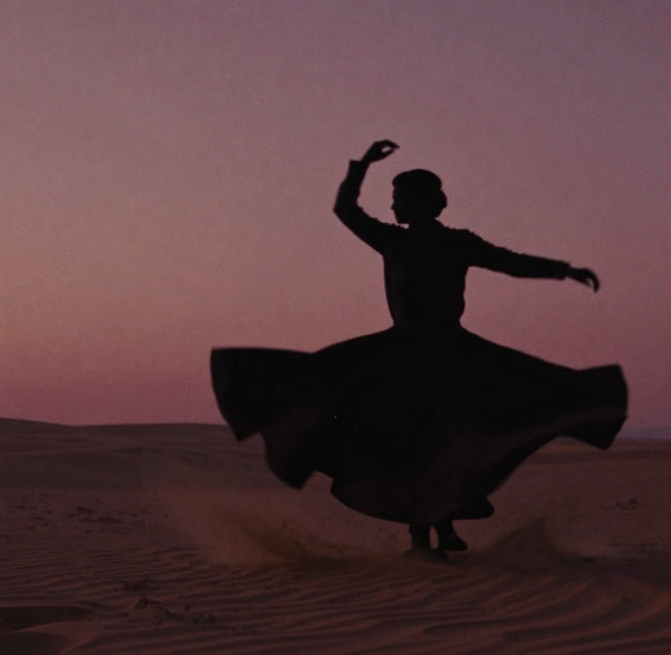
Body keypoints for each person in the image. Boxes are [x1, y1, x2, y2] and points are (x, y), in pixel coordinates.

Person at [211, 140, 627, 559]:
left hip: (443, 355)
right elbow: (346, 211)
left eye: (398, 199)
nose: (393, 207)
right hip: (408, 355)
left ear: (419, 202)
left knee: (433, 442)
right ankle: (431, 533)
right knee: (410, 441)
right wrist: (363, 166)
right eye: (393, 199)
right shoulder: (396, 241)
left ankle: (431, 534)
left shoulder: (443, 242)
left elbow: (510, 262)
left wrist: (564, 271)